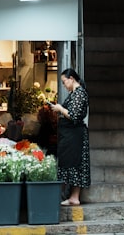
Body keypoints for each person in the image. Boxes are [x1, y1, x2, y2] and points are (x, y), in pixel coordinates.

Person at [50, 67, 90, 205]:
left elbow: (74, 115)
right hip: (70, 135)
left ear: (71, 79)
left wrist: (60, 109)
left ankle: (73, 197)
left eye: (64, 82)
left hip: (74, 136)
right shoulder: (75, 93)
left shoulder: (79, 94)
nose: (63, 85)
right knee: (70, 164)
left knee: (74, 164)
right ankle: (73, 197)